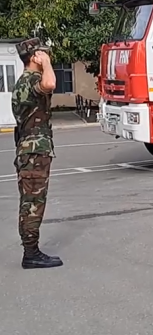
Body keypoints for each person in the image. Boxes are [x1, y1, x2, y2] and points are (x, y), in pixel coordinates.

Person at [11, 38, 62, 269]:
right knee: (33, 202)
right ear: (34, 57)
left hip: (30, 151)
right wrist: (47, 62)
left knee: (30, 201)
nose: (46, 56)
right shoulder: (31, 80)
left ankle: (31, 251)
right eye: (43, 53)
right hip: (33, 153)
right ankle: (31, 254)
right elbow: (50, 83)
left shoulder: (24, 82)